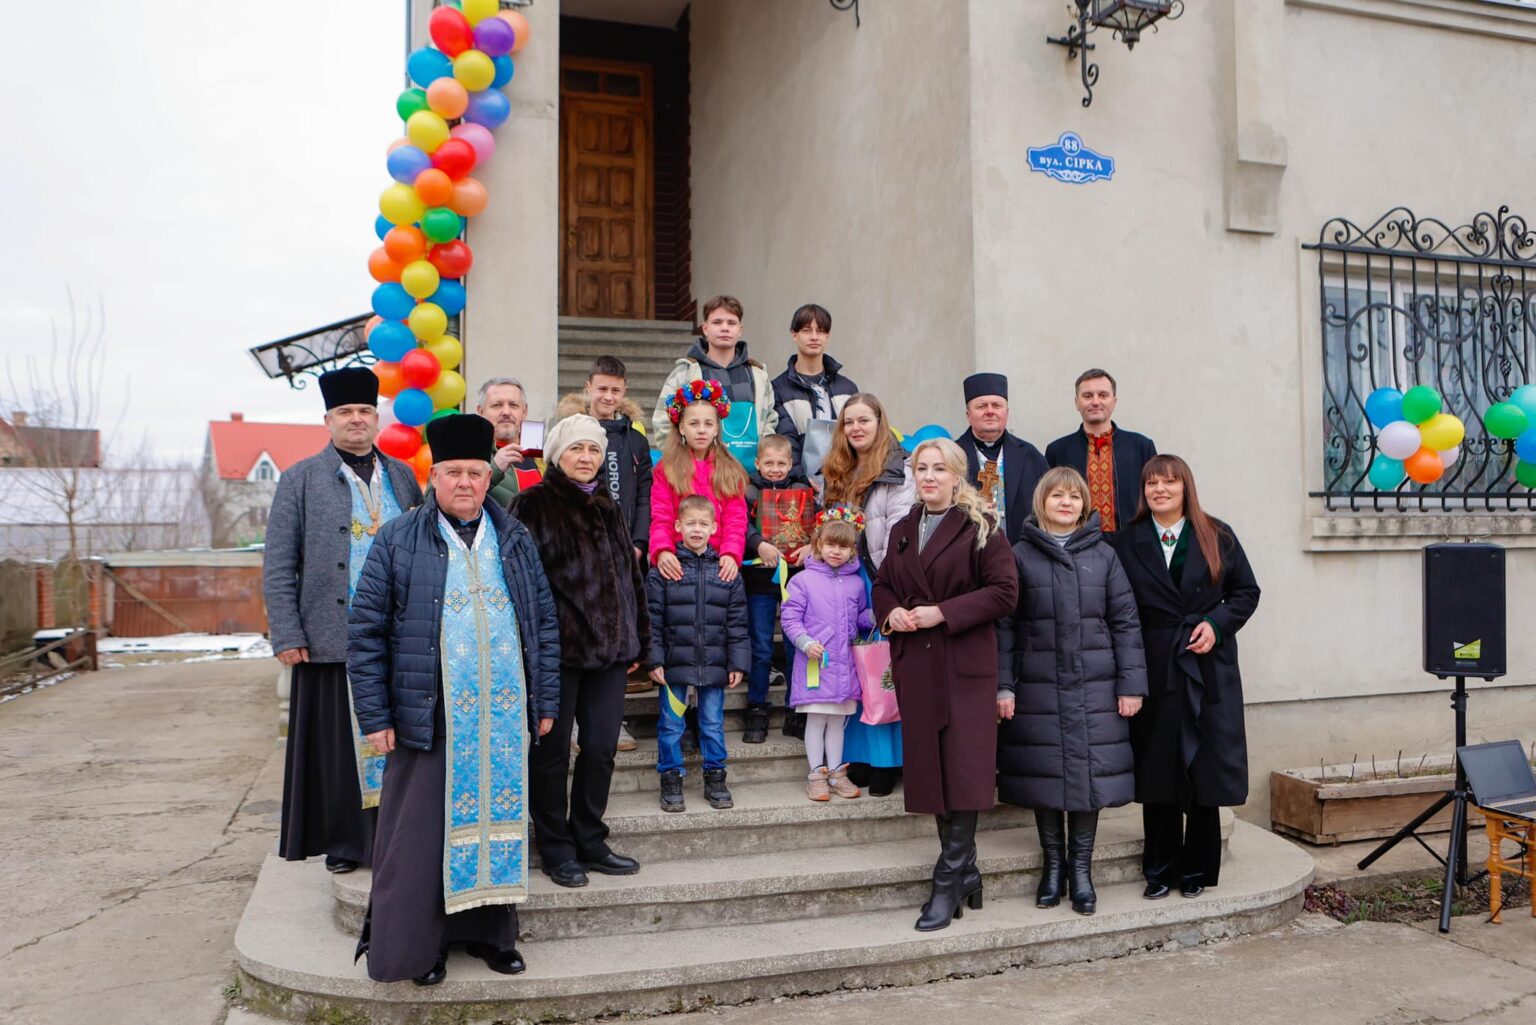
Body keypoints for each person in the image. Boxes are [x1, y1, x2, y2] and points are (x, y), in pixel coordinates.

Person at [347, 413, 562, 985]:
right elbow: (365, 632)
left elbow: (541, 621)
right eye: (453, 472)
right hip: (430, 715)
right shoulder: (398, 537)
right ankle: (427, 944)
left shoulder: (514, 537)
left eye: (474, 471)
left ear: (487, 476)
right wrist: (375, 715)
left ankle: (493, 936)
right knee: (423, 838)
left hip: (501, 714)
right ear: (433, 475)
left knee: (500, 824)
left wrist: (544, 702)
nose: (465, 482)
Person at [263, 366, 422, 875]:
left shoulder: (401, 475)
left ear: (377, 418)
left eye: (365, 412)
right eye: (346, 412)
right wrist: (286, 631)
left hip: (397, 636)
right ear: (328, 419)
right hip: (329, 636)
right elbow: (279, 562)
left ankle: (396, 836)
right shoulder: (299, 479)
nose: (357, 420)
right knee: (337, 749)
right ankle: (346, 842)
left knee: (395, 740)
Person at [871, 438, 1018, 931]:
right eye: (921, 468)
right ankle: (966, 872)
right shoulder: (903, 528)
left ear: (958, 476)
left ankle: (947, 877)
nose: (929, 476)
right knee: (933, 771)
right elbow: (884, 583)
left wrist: (942, 613)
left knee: (964, 770)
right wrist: (891, 610)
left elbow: (1004, 592)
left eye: (939, 469)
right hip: (918, 665)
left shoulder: (983, 526)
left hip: (964, 666)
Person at [1108, 455, 1261, 901]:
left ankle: (1197, 868)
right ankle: (1159, 868)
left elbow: (1246, 592)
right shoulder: (1127, 541)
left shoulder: (1217, 534)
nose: (1160, 490)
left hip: (1208, 668)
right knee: (1159, 767)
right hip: (1154, 665)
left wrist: (1216, 624)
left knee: (1203, 768)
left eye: (1169, 483)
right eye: (1152, 483)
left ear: (1185, 487)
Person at [996, 468, 1147, 916]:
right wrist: (1003, 684)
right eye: (1057, 495)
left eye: (1074, 497)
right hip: (1037, 685)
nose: (1066, 503)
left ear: (1085, 505)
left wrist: (1131, 685)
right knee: (1046, 776)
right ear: (1041, 502)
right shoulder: (1019, 555)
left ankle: (1081, 870)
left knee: (1088, 778)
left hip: (1095, 687)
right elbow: (1004, 627)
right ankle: (1053, 868)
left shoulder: (1104, 557)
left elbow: (1125, 622)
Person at [508, 415, 650, 890]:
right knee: (550, 754)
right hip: (558, 654)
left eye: (593, 450)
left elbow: (630, 580)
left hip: (610, 654)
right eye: (576, 450)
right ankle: (555, 845)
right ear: (556, 455)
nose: (586, 458)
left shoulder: (609, 507)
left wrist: (638, 637)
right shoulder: (533, 504)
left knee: (602, 749)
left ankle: (590, 837)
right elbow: (523, 586)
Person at [816, 393, 915, 796]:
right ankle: (857, 755)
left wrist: (889, 583)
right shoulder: (837, 468)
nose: (856, 428)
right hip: (843, 579)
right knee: (853, 668)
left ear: (880, 421)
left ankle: (887, 762)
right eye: (849, 422)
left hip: (881, 577)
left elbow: (899, 529)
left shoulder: (898, 467)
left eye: (864, 420)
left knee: (881, 669)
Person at [646, 495, 751, 812]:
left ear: (714, 528)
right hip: (675, 662)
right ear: (678, 526)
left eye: (703, 524)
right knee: (671, 725)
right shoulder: (664, 570)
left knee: (711, 723)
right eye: (690, 523)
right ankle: (671, 778)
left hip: (714, 662)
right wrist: (654, 658)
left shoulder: (726, 572)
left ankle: (716, 778)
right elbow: (651, 619)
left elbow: (737, 622)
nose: (696, 529)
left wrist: (738, 662)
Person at [779, 509, 873, 801]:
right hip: (816, 663)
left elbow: (859, 618)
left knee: (838, 721)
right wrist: (806, 642)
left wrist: (879, 613)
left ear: (852, 550)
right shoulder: (802, 581)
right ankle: (816, 773)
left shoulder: (857, 584)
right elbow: (790, 618)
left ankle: (836, 772)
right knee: (817, 719)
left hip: (844, 665)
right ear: (818, 543)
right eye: (830, 544)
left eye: (843, 546)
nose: (836, 551)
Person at [741, 433, 816, 743]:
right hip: (759, 581)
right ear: (758, 463)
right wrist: (758, 544)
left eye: (781, 463)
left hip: (794, 580)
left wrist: (812, 545)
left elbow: (817, 524)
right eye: (768, 463)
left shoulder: (803, 490)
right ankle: (756, 709)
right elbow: (740, 524)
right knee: (760, 647)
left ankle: (794, 709)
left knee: (793, 645)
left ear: (791, 463)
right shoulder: (748, 491)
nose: (774, 469)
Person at [650, 295, 779, 461]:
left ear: (740, 329)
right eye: (717, 322)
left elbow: (770, 421)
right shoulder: (685, 374)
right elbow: (663, 422)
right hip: (699, 477)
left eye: (731, 323)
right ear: (705, 328)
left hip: (750, 478)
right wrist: (684, 462)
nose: (724, 328)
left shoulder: (758, 375)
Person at [649, 379, 749, 583]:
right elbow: (661, 515)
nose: (702, 430)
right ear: (682, 428)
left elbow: (736, 519)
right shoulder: (666, 469)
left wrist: (731, 553)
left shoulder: (730, 469)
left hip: (719, 565)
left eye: (708, 424)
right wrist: (663, 551)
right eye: (694, 423)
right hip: (678, 563)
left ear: (716, 429)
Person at [554, 356, 653, 560]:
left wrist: (639, 543)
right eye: (602, 389)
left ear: (624, 391)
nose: (608, 397)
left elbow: (644, 496)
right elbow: (557, 489)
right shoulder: (568, 434)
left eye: (615, 391)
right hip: (581, 548)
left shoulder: (637, 440)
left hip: (628, 550)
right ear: (588, 388)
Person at [1045, 369, 1157, 533]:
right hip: (1075, 546)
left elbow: (1156, 498)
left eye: (1103, 395)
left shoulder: (1141, 446)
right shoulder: (1058, 450)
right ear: (1077, 402)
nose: (1095, 402)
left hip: (1133, 544)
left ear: (1114, 401)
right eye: (1088, 396)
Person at [954, 372, 1048, 545]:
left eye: (996, 405)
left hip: (1021, 556)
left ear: (1007, 412)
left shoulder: (1030, 456)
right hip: (967, 556)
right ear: (968, 414)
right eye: (981, 406)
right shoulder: (952, 457)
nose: (990, 411)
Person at [770, 303, 860, 476]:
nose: (814, 337)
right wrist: (802, 479)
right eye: (806, 330)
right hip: (799, 483)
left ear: (827, 336)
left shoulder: (848, 388)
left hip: (845, 479)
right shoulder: (778, 389)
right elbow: (786, 441)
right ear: (794, 335)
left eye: (820, 331)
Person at [479, 376, 544, 506]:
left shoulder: (545, 455)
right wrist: (495, 469)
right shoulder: (467, 450)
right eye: (497, 405)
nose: (506, 412)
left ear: (524, 411)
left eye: (513, 405)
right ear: (481, 412)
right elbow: (434, 499)